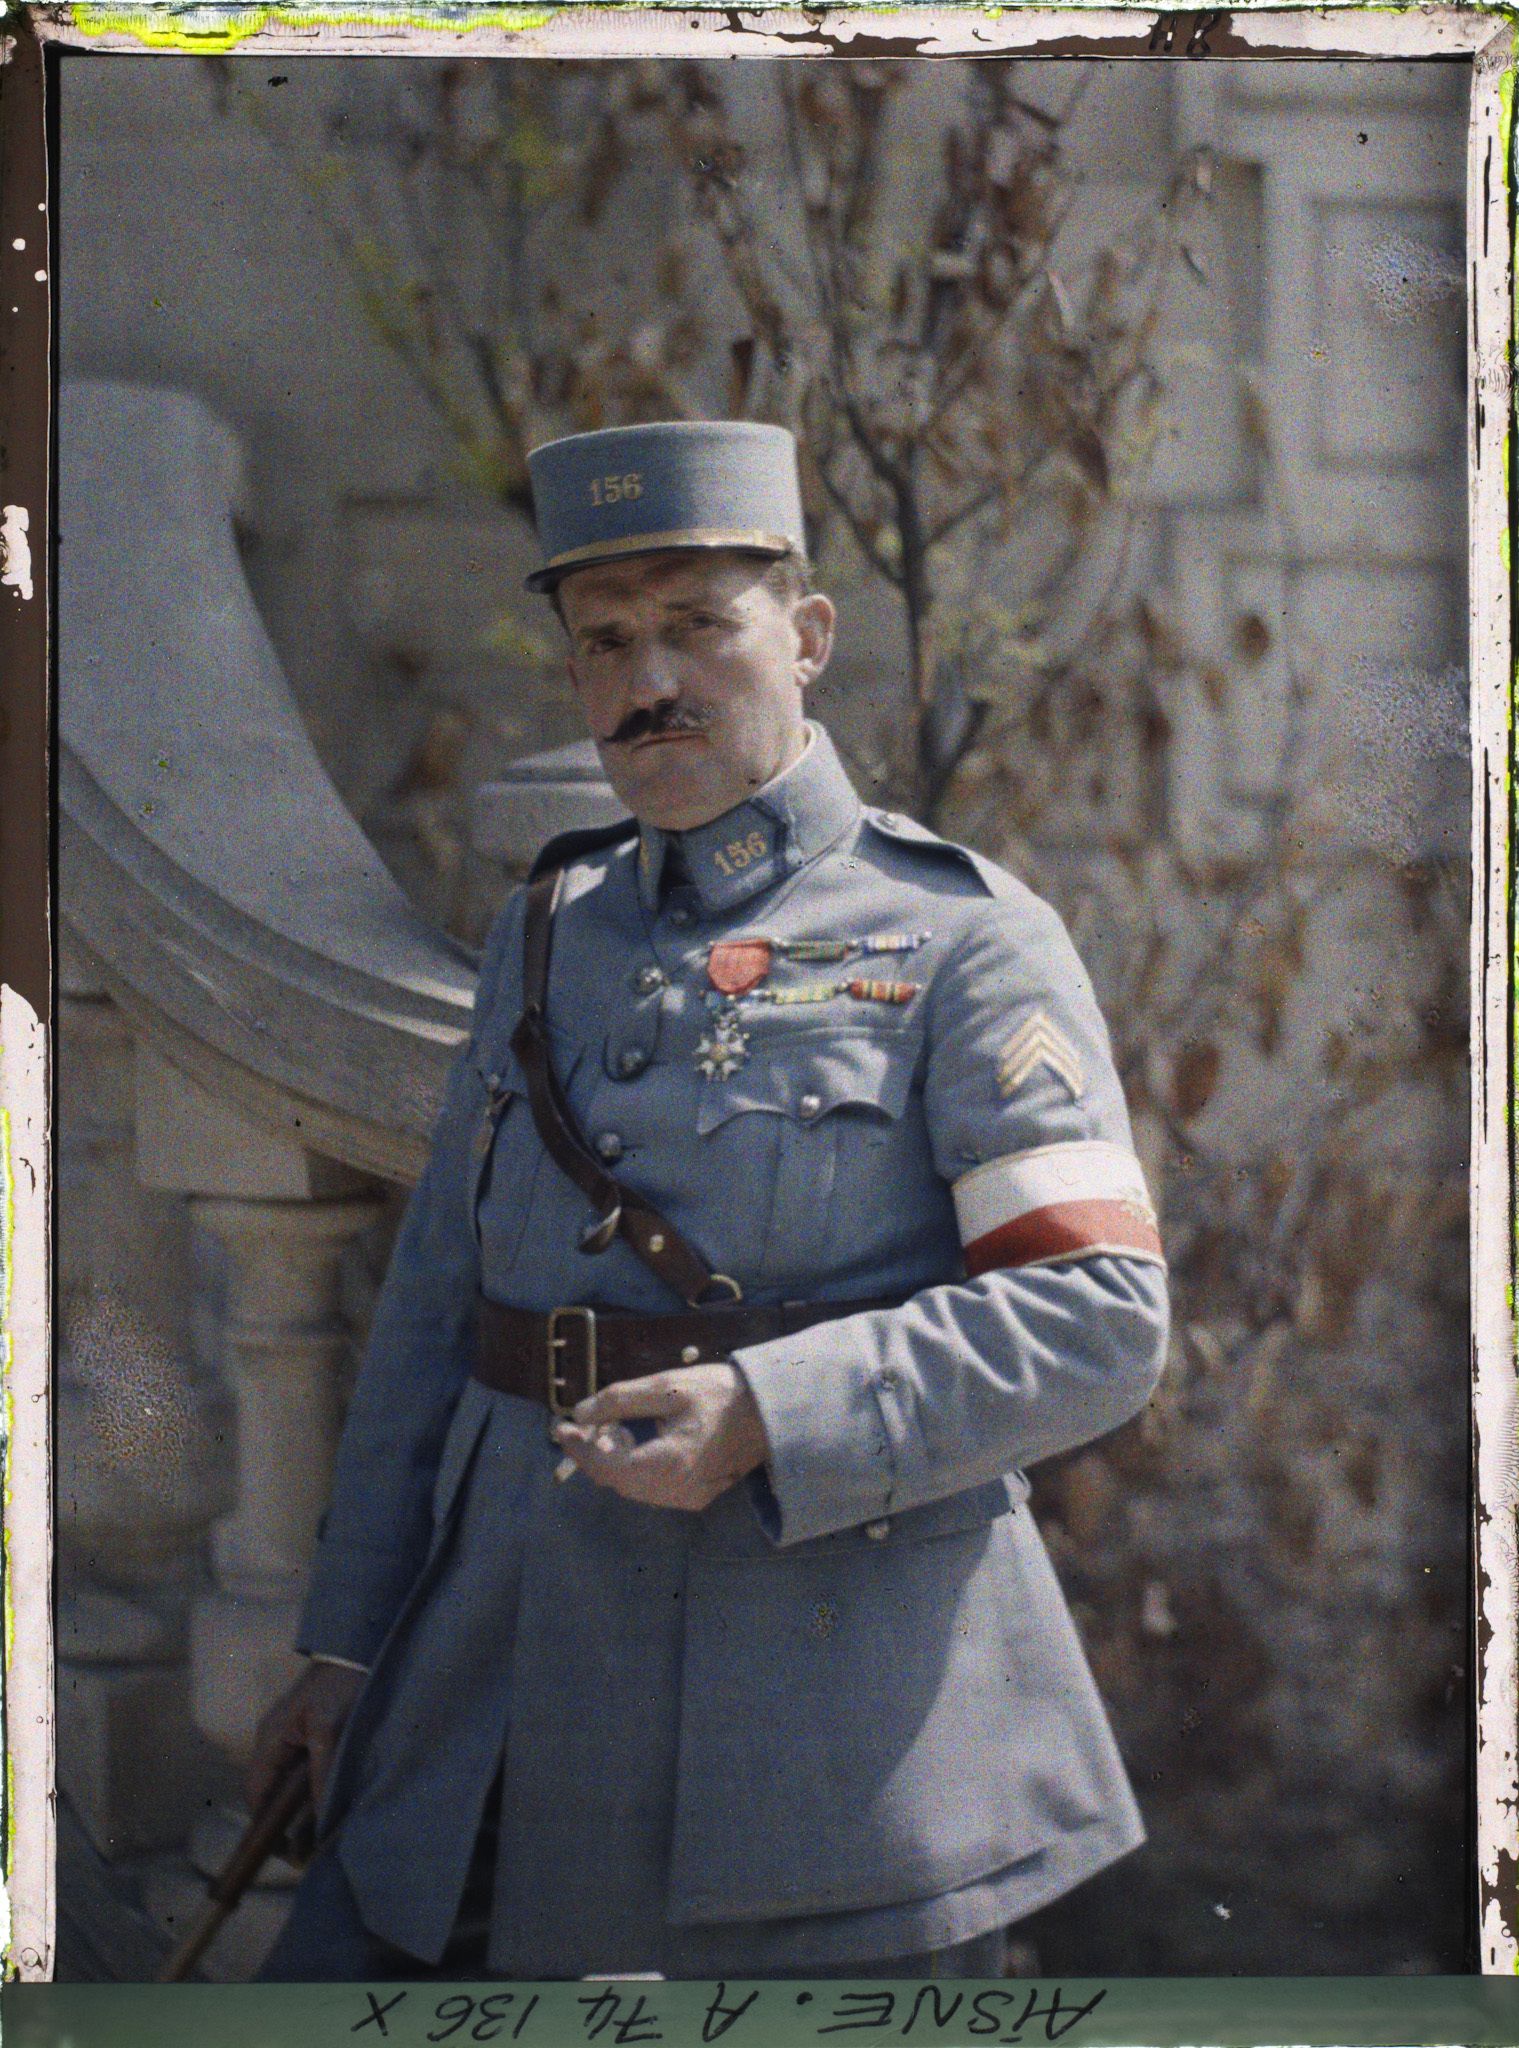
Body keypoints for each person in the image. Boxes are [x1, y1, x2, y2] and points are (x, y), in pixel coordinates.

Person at [254, 419, 1169, 1982]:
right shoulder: (549, 928)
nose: (646, 681)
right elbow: (435, 1309)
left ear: (805, 640)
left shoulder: (965, 939)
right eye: (606, 639)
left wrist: (767, 1411)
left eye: (697, 625)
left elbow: (1099, 1318)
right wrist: (345, 1647)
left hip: (798, 1732)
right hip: (481, 1684)